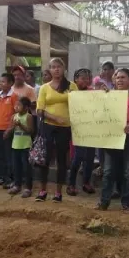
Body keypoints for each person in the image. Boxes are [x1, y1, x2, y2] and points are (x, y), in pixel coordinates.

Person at [97, 68, 129, 213]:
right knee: (108, 171)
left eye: (123, 77)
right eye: (117, 77)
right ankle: (104, 202)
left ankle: (126, 203)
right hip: (112, 138)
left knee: (128, 172)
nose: (119, 80)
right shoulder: (109, 95)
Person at [35, 58, 77, 202]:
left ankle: (58, 193)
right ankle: (42, 191)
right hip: (47, 127)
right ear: (50, 70)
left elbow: (80, 105)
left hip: (65, 128)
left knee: (61, 161)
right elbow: (39, 110)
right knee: (45, 160)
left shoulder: (72, 86)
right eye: (53, 67)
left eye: (59, 66)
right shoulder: (44, 88)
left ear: (63, 68)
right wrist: (54, 118)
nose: (56, 69)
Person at [67, 68, 96, 196]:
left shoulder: (94, 93)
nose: (86, 80)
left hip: (91, 129)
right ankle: (71, 184)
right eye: (83, 78)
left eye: (88, 78)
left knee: (89, 158)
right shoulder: (71, 92)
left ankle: (86, 182)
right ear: (76, 80)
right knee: (77, 157)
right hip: (77, 129)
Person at [6, 97, 35, 197]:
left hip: (26, 145)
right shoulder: (14, 116)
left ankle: (28, 187)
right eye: (16, 105)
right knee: (16, 166)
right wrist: (11, 128)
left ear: (26, 107)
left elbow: (31, 131)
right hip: (15, 145)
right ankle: (17, 185)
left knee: (27, 167)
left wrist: (21, 125)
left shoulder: (29, 116)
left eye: (19, 105)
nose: (16, 107)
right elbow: (9, 130)